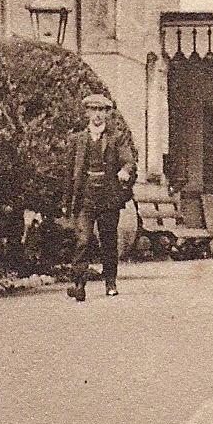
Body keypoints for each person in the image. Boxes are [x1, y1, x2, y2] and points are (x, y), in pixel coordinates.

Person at [64, 94, 137, 300]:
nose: (97, 115)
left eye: (102, 110)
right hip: (86, 197)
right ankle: (79, 284)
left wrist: (124, 170)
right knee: (83, 240)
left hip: (108, 197)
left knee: (108, 241)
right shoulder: (78, 140)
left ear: (107, 114)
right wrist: (67, 200)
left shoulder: (116, 138)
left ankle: (110, 281)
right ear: (87, 112)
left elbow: (129, 161)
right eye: (93, 110)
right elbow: (70, 173)